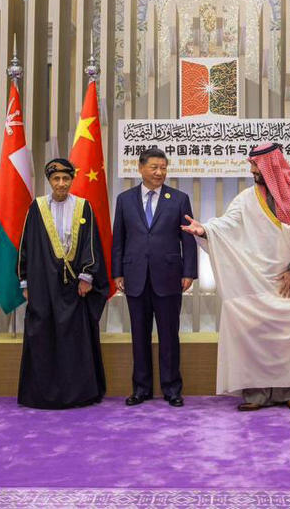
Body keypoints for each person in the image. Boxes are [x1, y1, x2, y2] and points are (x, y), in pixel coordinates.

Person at [182, 143, 290, 411]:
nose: (251, 170)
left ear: (270, 165)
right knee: (254, 334)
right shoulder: (247, 198)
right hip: (259, 281)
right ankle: (256, 395)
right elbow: (228, 225)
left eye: (255, 165)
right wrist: (205, 230)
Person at [17, 158, 109, 409]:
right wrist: (25, 281)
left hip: (75, 287)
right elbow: (26, 246)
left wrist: (87, 276)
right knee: (43, 336)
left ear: (71, 180)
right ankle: (41, 395)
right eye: (56, 179)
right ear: (49, 181)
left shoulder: (83, 207)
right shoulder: (36, 208)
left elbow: (93, 244)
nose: (61, 184)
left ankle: (78, 394)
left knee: (74, 339)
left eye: (65, 179)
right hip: (43, 286)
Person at [112, 147, 197, 408]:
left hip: (169, 277)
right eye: (154, 167)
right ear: (140, 168)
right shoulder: (124, 199)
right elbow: (119, 240)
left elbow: (188, 238)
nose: (159, 172)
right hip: (135, 276)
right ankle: (141, 389)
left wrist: (189, 272)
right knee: (139, 336)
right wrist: (117, 272)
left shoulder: (179, 198)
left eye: (163, 167)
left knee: (170, 335)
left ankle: (172, 389)